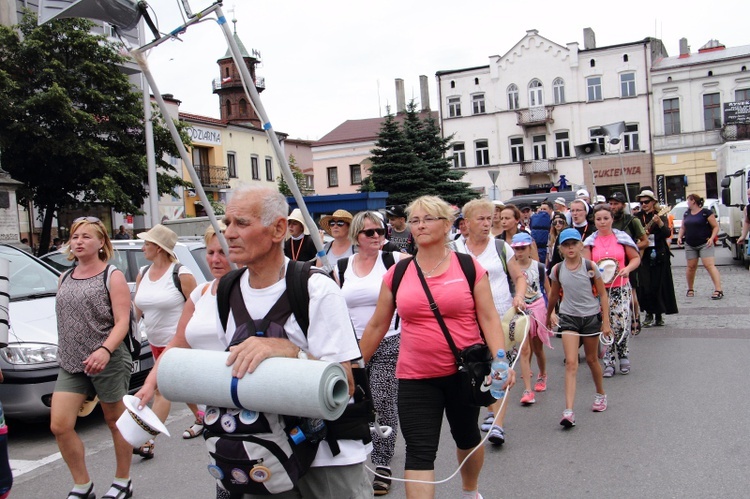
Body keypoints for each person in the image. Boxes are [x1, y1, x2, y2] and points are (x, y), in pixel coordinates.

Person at [167, 186, 370, 498]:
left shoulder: (316, 288)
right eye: (227, 223)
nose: (229, 234)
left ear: (277, 229)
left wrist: (289, 351)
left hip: (328, 456)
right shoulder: (227, 291)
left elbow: (345, 382)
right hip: (261, 452)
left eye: (242, 224)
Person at [360, 195, 515, 499]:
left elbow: (488, 317)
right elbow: (377, 325)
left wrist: (500, 361)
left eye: (428, 218)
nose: (419, 225)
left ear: (446, 225)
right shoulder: (398, 273)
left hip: (464, 373)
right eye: (415, 220)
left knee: (467, 437)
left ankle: (470, 491)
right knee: (419, 450)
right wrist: (353, 367)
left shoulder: (468, 267)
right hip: (415, 377)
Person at [135, 223, 235, 499]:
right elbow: (178, 341)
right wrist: (149, 381)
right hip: (212, 404)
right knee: (224, 475)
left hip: (247, 402)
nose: (215, 259)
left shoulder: (250, 289)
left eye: (223, 252)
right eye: (211, 252)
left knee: (254, 476)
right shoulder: (201, 293)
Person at [51, 217, 134, 499]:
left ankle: (123, 480)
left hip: (107, 358)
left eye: (86, 236)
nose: (79, 241)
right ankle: (82, 485)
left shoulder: (112, 276)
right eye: (75, 237)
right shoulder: (64, 277)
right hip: (72, 361)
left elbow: (122, 321)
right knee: (60, 425)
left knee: (115, 421)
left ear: (101, 243)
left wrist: (105, 349)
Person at [335, 211, 405, 496]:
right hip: (351, 345)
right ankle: (354, 457)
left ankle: (382, 463)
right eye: (369, 232)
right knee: (354, 403)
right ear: (356, 237)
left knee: (384, 401)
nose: (377, 236)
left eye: (380, 230)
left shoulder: (395, 260)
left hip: (389, 341)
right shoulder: (341, 267)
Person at [454, 198, 526, 446]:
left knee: (499, 366)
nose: (487, 224)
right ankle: (487, 408)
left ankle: (498, 423)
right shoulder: (454, 250)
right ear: (466, 223)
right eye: (481, 219)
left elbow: (519, 276)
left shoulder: (500, 247)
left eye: (489, 218)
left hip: (500, 318)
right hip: (466, 321)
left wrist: (518, 295)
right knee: (474, 368)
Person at [133, 224, 197, 458]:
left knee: (161, 391)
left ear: (159, 248)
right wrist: (128, 334)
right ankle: (203, 418)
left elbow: (197, 308)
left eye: (147, 244)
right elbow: (137, 310)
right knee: (185, 386)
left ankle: (147, 440)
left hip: (178, 344)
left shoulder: (182, 274)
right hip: (155, 342)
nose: (143, 248)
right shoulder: (142, 273)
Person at [546, 228, 612, 428]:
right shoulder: (557, 269)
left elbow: (602, 295)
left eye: (574, 244)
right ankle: (568, 410)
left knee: (592, 360)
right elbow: (554, 294)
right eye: (566, 245)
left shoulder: (590, 266)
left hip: (591, 317)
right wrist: (549, 314)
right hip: (569, 318)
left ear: (580, 246)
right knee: (571, 363)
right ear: (561, 249)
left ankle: (600, 393)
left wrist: (606, 322)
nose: (570, 248)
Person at [583, 205, 641, 377]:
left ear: (612, 219)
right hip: (600, 289)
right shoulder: (590, 242)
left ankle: (623, 355)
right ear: (594, 220)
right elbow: (586, 266)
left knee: (621, 321)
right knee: (605, 324)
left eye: (605, 218)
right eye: (599, 219)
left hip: (620, 286)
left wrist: (628, 269)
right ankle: (609, 360)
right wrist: (592, 276)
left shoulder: (621, 238)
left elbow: (635, 258)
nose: (602, 222)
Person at [510, 232, 552, 407]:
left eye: (522, 248)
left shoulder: (539, 267)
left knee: (537, 347)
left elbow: (548, 290)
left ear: (530, 248)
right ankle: (527, 389)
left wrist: (552, 312)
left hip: (537, 307)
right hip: (519, 309)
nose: (519, 252)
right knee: (524, 349)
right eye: (516, 249)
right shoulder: (511, 267)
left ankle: (542, 373)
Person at [635, 190, 678, 326]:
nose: (644, 204)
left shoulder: (660, 215)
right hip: (643, 253)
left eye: (646, 202)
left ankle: (659, 315)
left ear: (653, 202)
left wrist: (659, 222)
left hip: (659, 253)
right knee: (645, 285)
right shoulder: (637, 217)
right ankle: (648, 313)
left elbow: (666, 233)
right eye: (641, 202)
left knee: (658, 285)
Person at [677, 193, 723, 300]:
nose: (687, 202)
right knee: (691, 267)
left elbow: (715, 227)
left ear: (693, 201)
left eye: (688, 200)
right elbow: (683, 227)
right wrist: (680, 237)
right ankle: (690, 288)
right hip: (690, 243)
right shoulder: (686, 213)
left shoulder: (706, 213)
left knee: (709, 266)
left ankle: (718, 289)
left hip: (705, 243)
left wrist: (712, 238)